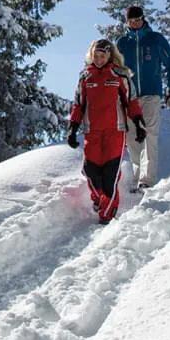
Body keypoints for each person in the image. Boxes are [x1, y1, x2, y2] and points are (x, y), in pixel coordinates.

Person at [66, 39, 146, 225]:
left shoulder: (120, 76)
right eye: (96, 56)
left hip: (115, 132)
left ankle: (107, 215)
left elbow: (132, 102)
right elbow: (78, 105)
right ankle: (99, 199)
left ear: (110, 56)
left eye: (102, 56)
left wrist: (139, 123)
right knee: (91, 171)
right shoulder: (85, 77)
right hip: (92, 132)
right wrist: (72, 128)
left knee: (110, 175)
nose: (99, 59)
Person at [116, 5, 170, 192]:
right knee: (132, 138)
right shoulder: (121, 44)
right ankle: (137, 178)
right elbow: (115, 71)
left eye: (138, 20)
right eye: (131, 21)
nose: (135, 23)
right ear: (127, 22)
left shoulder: (156, 39)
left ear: (143, 19)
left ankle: (147, 180)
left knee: (150, 134)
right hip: (130, 97)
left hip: (151, 94)